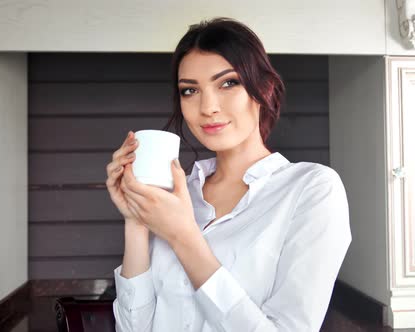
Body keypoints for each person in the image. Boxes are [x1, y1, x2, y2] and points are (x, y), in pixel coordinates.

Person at [105, 17, 351, 332]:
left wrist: (183, 237)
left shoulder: (312, 189)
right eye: (190, 90)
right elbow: (134, 328)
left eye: (228, 83)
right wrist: (136, 221)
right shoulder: (178, 195)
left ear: (265, 87)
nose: (207, 107)